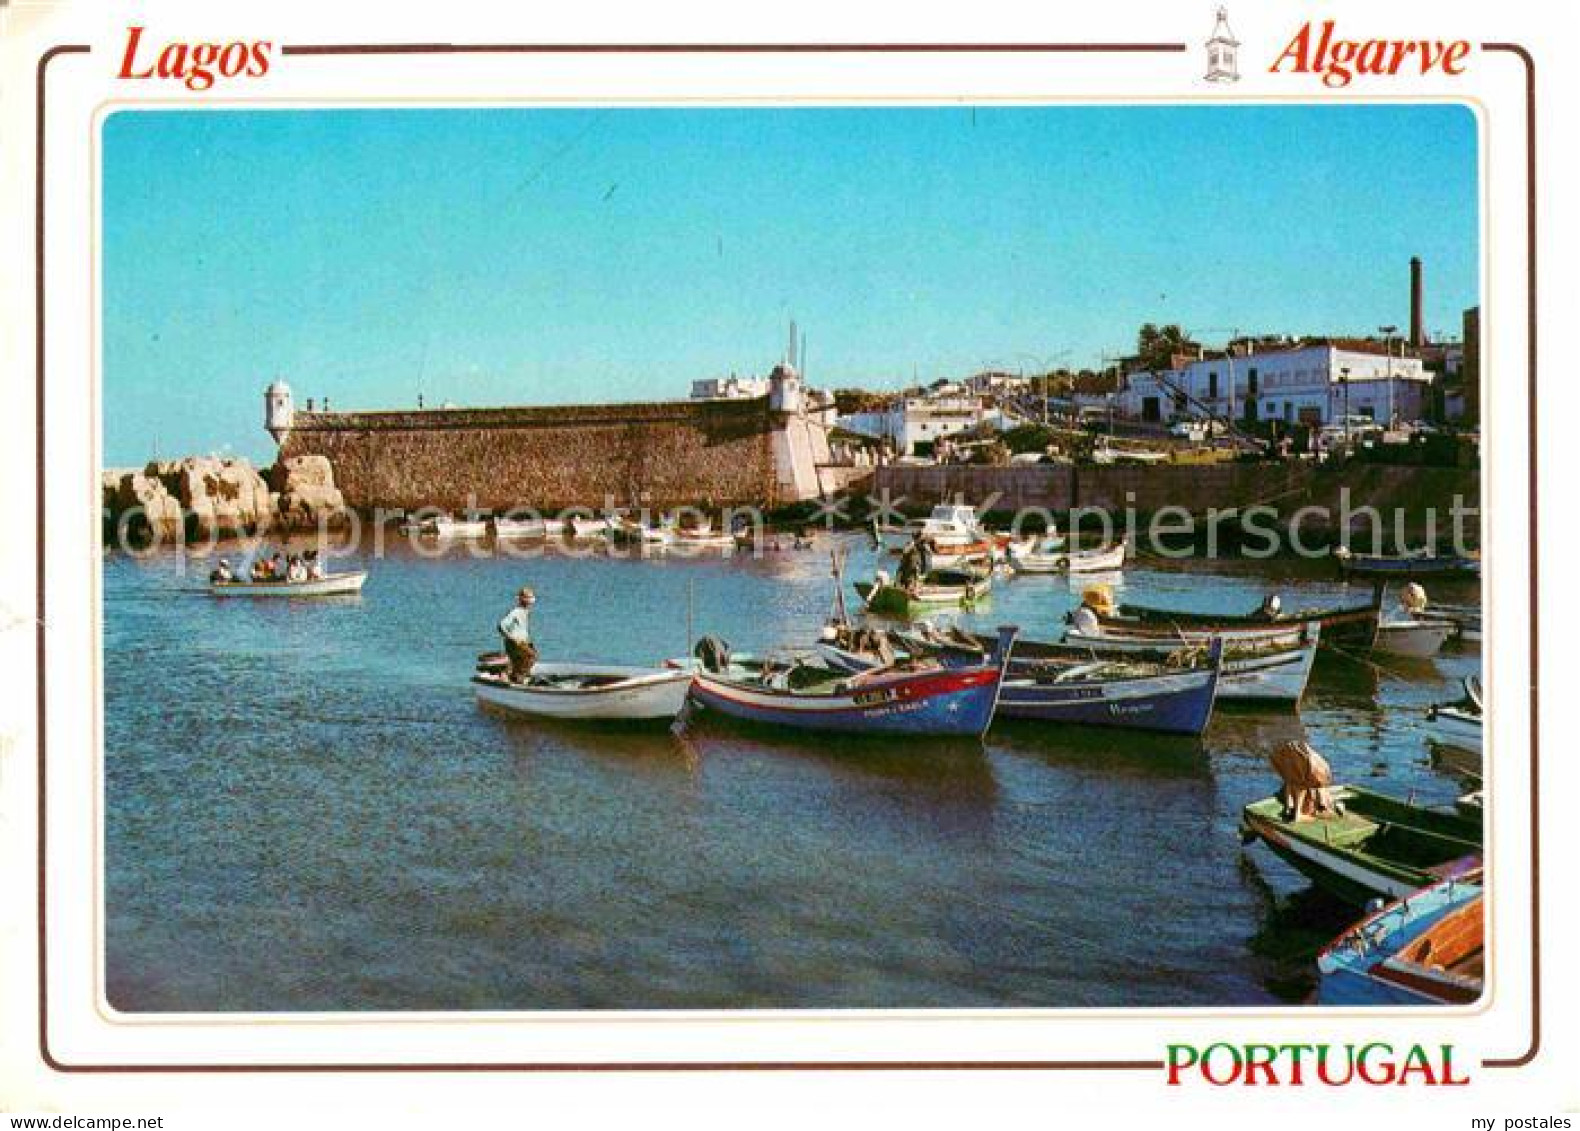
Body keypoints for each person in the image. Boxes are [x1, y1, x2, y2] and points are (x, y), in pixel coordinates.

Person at [498, 587, 539, 682]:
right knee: (532, 656)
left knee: (520, 662)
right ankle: (517, 678)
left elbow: (521, 628)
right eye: (528, 598)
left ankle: (514, 678)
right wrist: (512, 638)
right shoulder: (516, 612)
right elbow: (501, 625)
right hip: (515, 643)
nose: (530, 602)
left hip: (520, 642)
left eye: (531, 598)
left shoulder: (525, 611)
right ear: (522, 600)